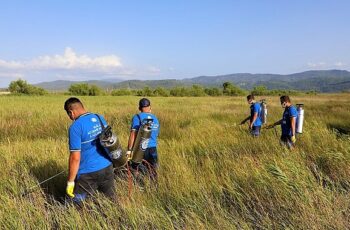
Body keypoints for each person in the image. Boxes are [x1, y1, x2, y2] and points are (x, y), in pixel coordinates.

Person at [64, 97, 115, 202]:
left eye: (69, 115)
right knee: (111, 202)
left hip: (88, 174)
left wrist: (70, 182)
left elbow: (75, 158)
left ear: (71, 112)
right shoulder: (99, 118)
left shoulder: (75, 127)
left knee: (76, 204)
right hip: (107, 168)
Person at [126, 98, 160, 181]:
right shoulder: (155, 118)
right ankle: (154, 188)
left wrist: (129, 151)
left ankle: (140, 187)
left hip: (140, 150)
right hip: (153, 149)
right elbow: (156, 134)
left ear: (139, 108)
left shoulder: (137, 117)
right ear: (150, 107)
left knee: (136, 170)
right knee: (153, 171)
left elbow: (133, 134)